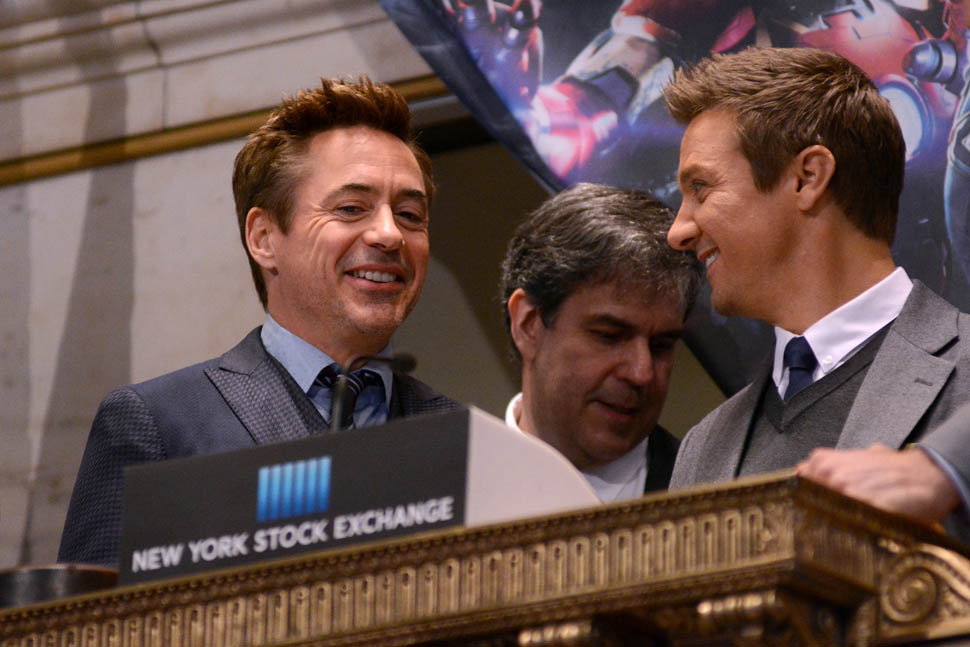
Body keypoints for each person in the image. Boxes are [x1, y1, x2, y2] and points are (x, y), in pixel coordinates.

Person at [58, 77, 460, 567]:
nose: (389, 234)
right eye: (352, 208)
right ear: (264, 238)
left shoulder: (464, 441)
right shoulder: (158, 425)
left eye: (411, 215)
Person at [663, 46, 969, 531]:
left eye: (700, 188)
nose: (677, 231)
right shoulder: (703, 450)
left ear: (808, 178)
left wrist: (945, 472)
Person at [500, 182, 701, 501]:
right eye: (610, 336)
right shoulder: (441, 489)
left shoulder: (714, 496)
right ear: (528, 325)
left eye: (661, 345)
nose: (641, 373)